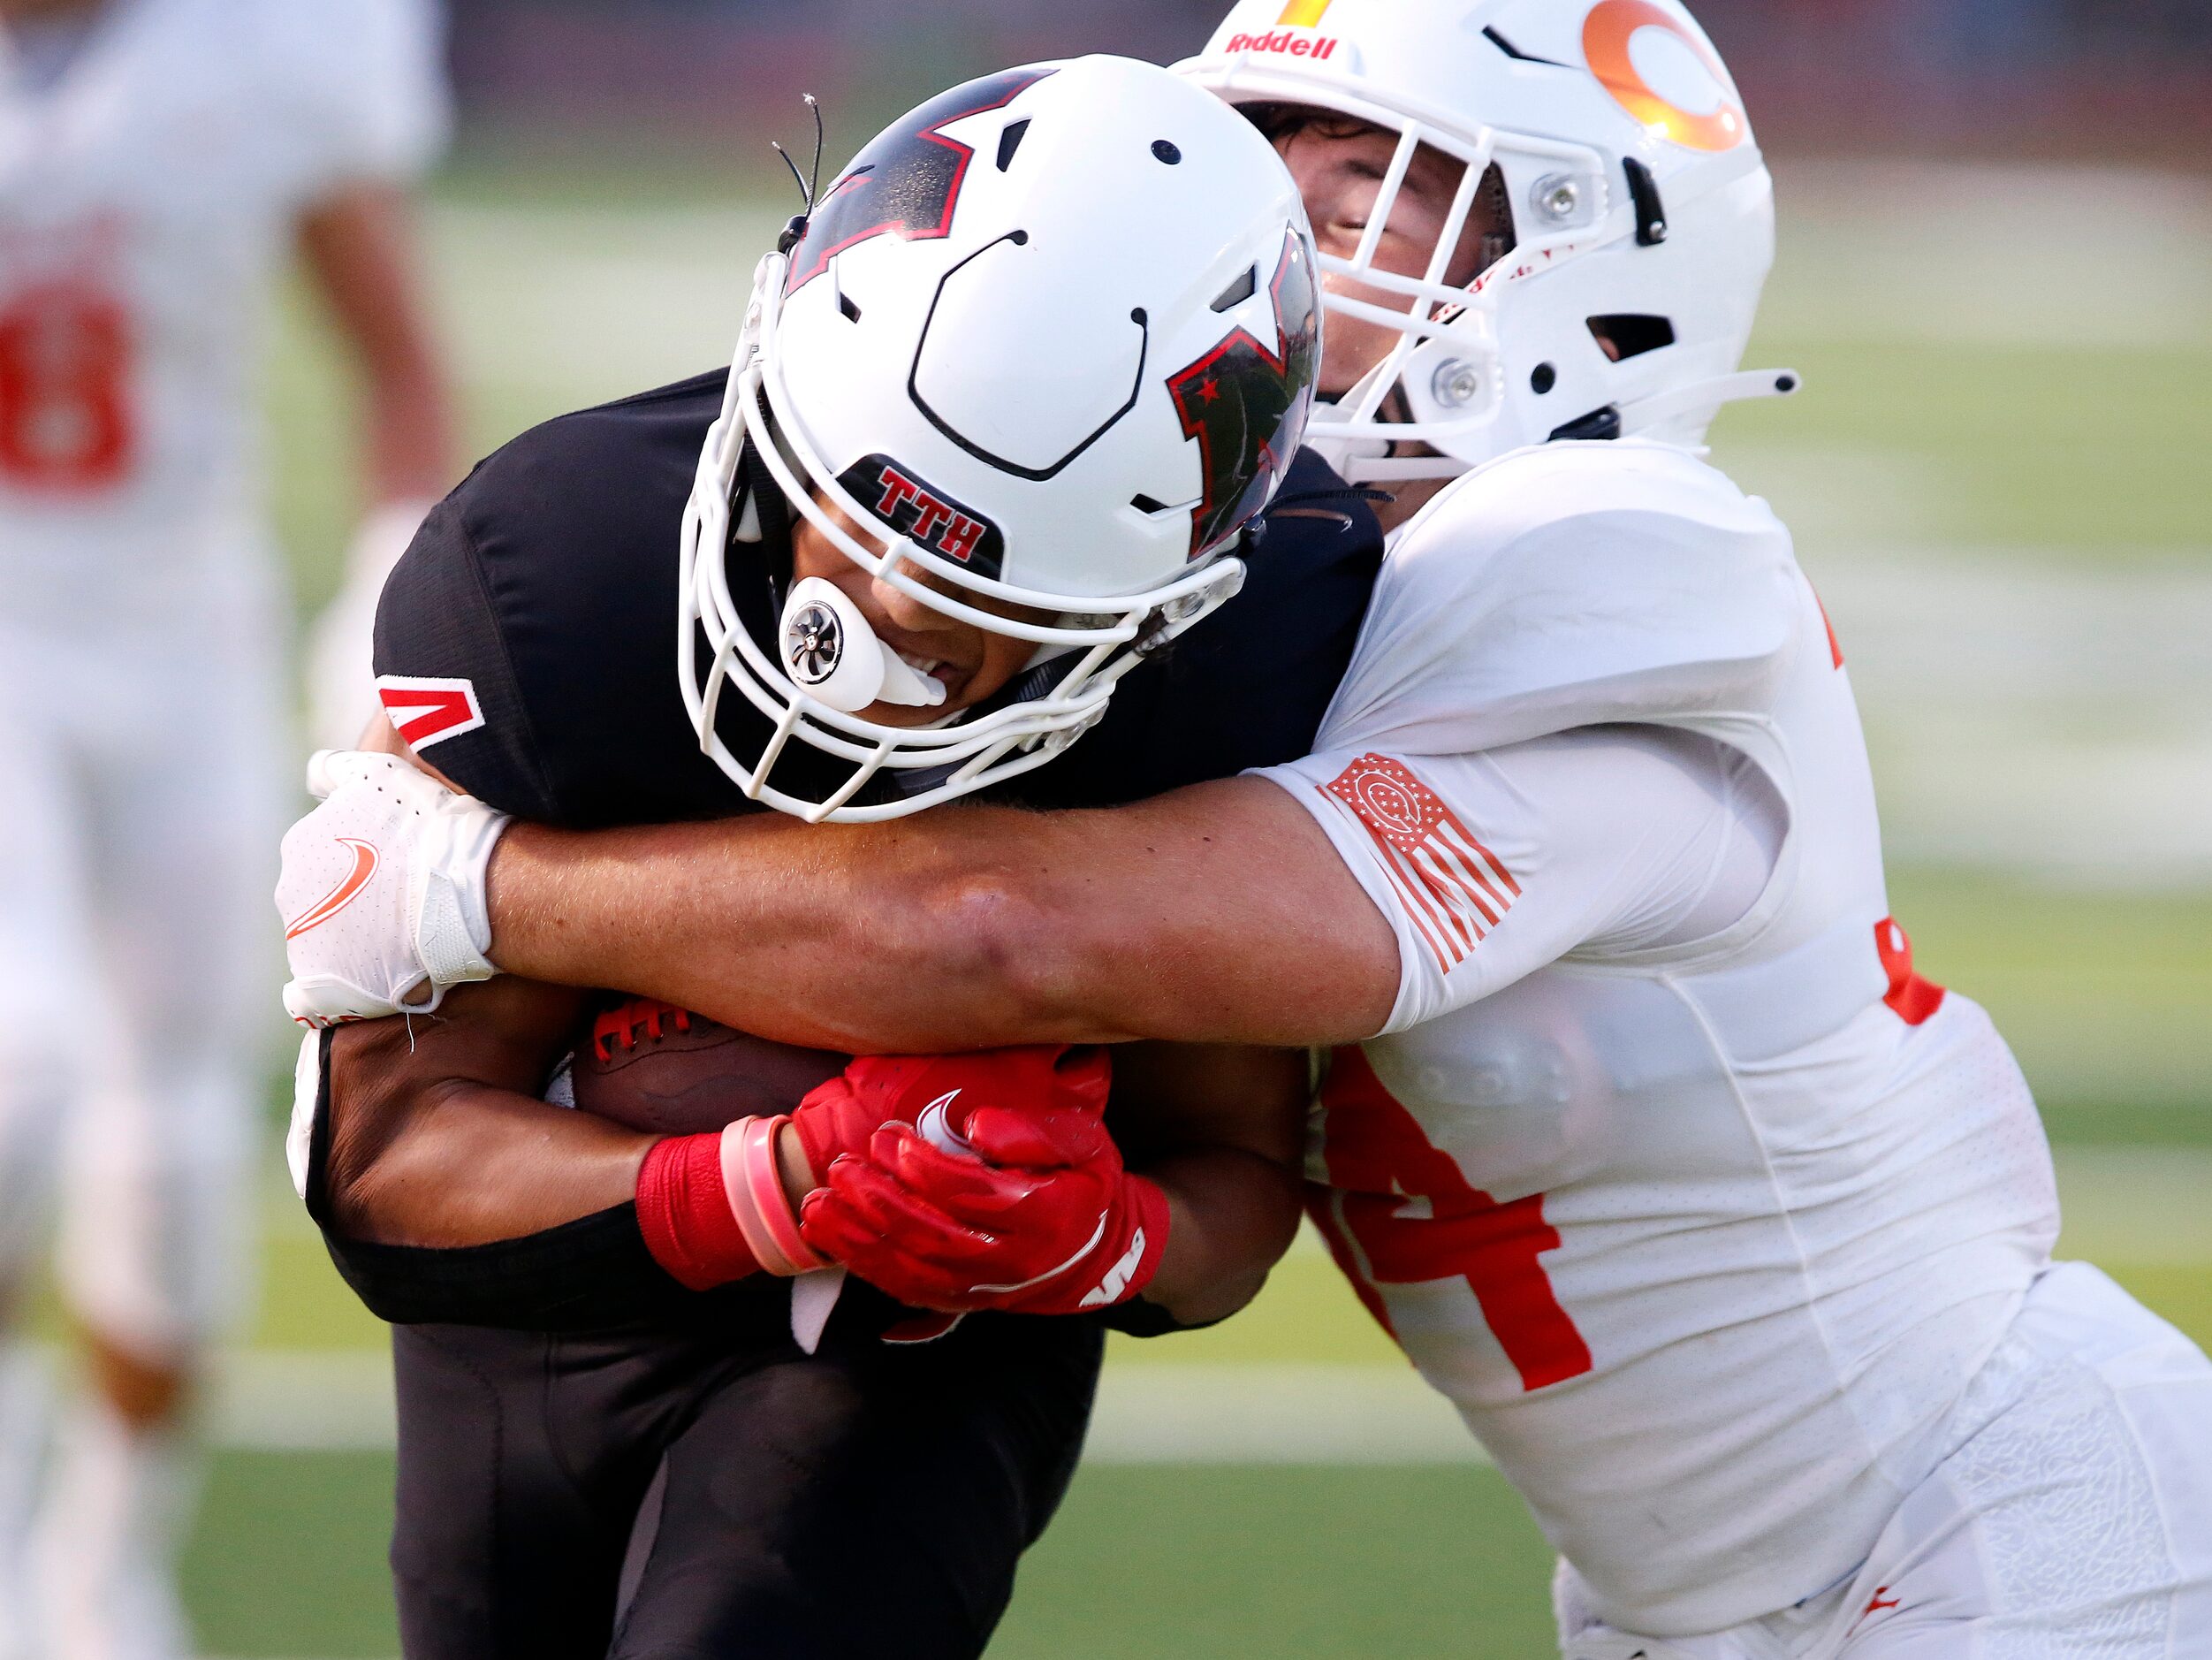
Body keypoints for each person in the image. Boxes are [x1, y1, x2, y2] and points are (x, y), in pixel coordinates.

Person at [279, 2, 2212, 1656]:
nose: (1256, 230)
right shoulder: (1265, 590)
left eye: (1350, 190)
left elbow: (1004, 935)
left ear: (1592, 267)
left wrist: (475, 887)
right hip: (1696, 1593)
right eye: (1248, 153)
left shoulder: (1614, 554)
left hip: (2008, 1527)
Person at [279, 57, 1370, 1658]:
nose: (860, 631)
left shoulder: (1249, 651)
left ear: (1166, 602)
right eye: (837, 517)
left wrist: (1105, 1233)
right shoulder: (553, 579)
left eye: (975, 626)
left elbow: (1234, 1174)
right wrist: (776, 1185)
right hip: (550, 1309)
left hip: (928, 1346)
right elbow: (379, 1172)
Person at [0, 0, 452, 1654]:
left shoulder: (267, 46)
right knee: (18, 1068)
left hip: (188, 621)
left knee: (180, 1148)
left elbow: (398, 355)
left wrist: (386, 597)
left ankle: (102, 1573)